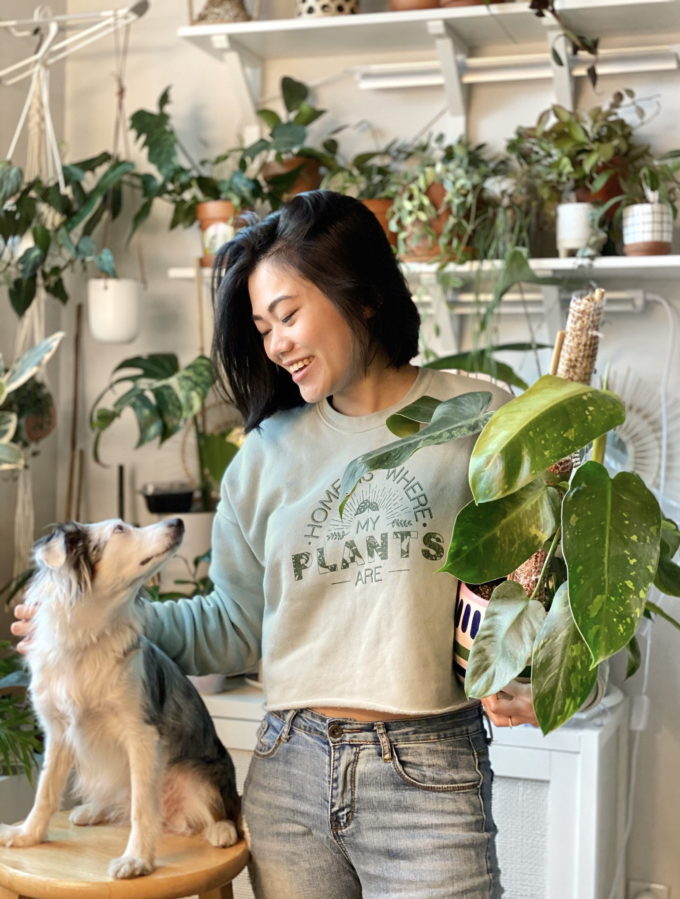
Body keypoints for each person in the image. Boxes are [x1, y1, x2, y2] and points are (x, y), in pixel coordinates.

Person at [13, 190, 537, 898]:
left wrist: (541, 676)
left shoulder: (483, 416)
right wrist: (88, 622)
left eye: (288, 315)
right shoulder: (265, 451)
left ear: (364, 294)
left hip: (429, 774)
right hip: (288, 774)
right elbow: (232, 625)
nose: (276, 343)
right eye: (262, 327)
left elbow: (550, 589)